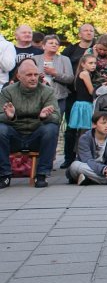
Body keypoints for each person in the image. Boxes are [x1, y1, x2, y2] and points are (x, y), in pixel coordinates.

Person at [0, 59, 61, 188]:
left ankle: (42, 175)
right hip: (14, 136)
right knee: (1, 129)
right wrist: (9, 117)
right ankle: (4, 175)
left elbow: (57, 117)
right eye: (29, 75)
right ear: (19, 76)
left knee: (51, 128)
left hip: (36, 136)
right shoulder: (7, 91)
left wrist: (44, 117)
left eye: (36, 74)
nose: (33, 78)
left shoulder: (47, 91)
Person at [32, 34, 74, 116]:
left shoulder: (64, 59)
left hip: (58, 98)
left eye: (56, 43)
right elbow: (28, 76)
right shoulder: (35, 59)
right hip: (37, 97)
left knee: (55, 123)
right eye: (51, 43)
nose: (54, 45)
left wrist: (55, 74)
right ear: (43, 46)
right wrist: (38, 77)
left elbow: (70, 79)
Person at [66, 54, 98, 151]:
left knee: (82, 132)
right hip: (85, 105)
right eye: (90, 63)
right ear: (83, 64)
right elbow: (91, 90)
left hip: (82, 104)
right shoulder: (85, 74)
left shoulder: (84, 73)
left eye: (95, 63)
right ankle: (82, 152)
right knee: (85, 131)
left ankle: (81, 152)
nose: (93, 65)